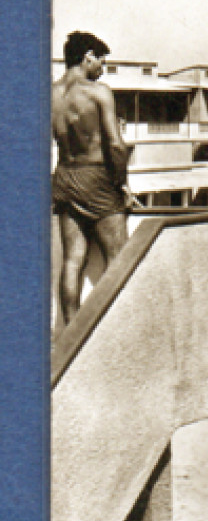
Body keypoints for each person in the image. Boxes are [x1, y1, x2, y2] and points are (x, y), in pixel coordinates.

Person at [52, 31, 131, 328]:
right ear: (87, 57)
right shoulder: (98, 92)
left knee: (73, 259)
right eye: (101, 61)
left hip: (63, 176)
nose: (102, 69)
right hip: (95, 176)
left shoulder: (50, 93)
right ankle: (112, 326)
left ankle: (71, 331)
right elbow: (115, 145)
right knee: (119, 255)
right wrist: (121, 184)